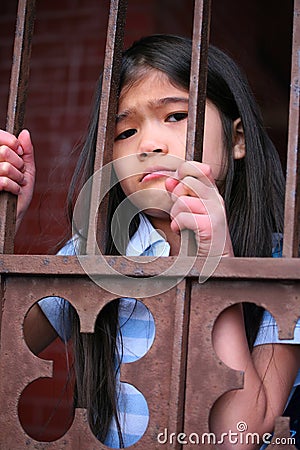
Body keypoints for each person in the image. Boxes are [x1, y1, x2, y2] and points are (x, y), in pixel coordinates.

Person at [0, 34, 299, 449]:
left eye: (176, 116)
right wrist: (5, 226)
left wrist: (215, 267)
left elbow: (239, 437)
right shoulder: (96, 253)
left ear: (237, 140)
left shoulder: (281, 266)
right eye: (125, 132)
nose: (149, 145)